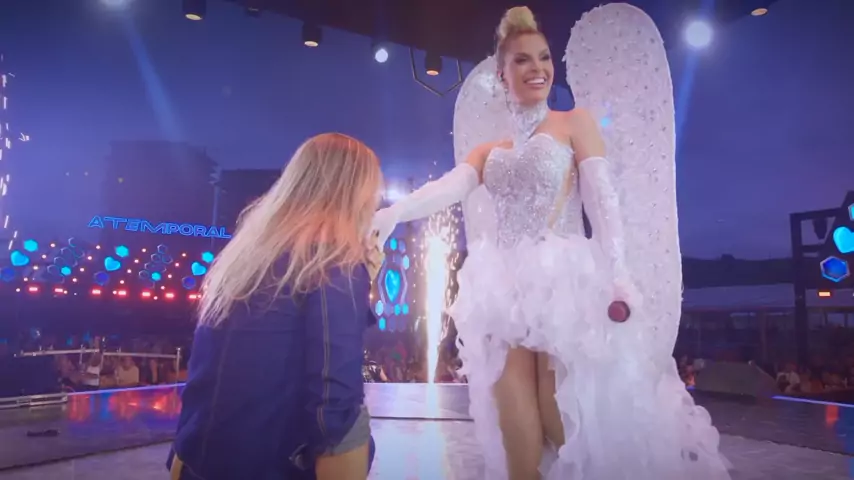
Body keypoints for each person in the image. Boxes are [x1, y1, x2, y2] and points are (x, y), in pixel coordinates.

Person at [370, 5, 730, 479]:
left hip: (566, 285)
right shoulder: (488, 151)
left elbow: (603, 203)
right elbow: (448, 189)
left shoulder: (573, 123)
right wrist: (394, 212)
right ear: (502, 75)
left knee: (565, 424)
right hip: (504, 289)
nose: (537, 68)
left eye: (543, 57)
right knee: (515, 432)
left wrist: (619, 274)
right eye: (522, 59)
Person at [169, 133, 383, 480]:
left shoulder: (248, 254)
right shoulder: (333, 260)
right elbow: (335, 404)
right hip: (271, 464)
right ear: (355, 194)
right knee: (351, 424)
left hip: (198, 460)